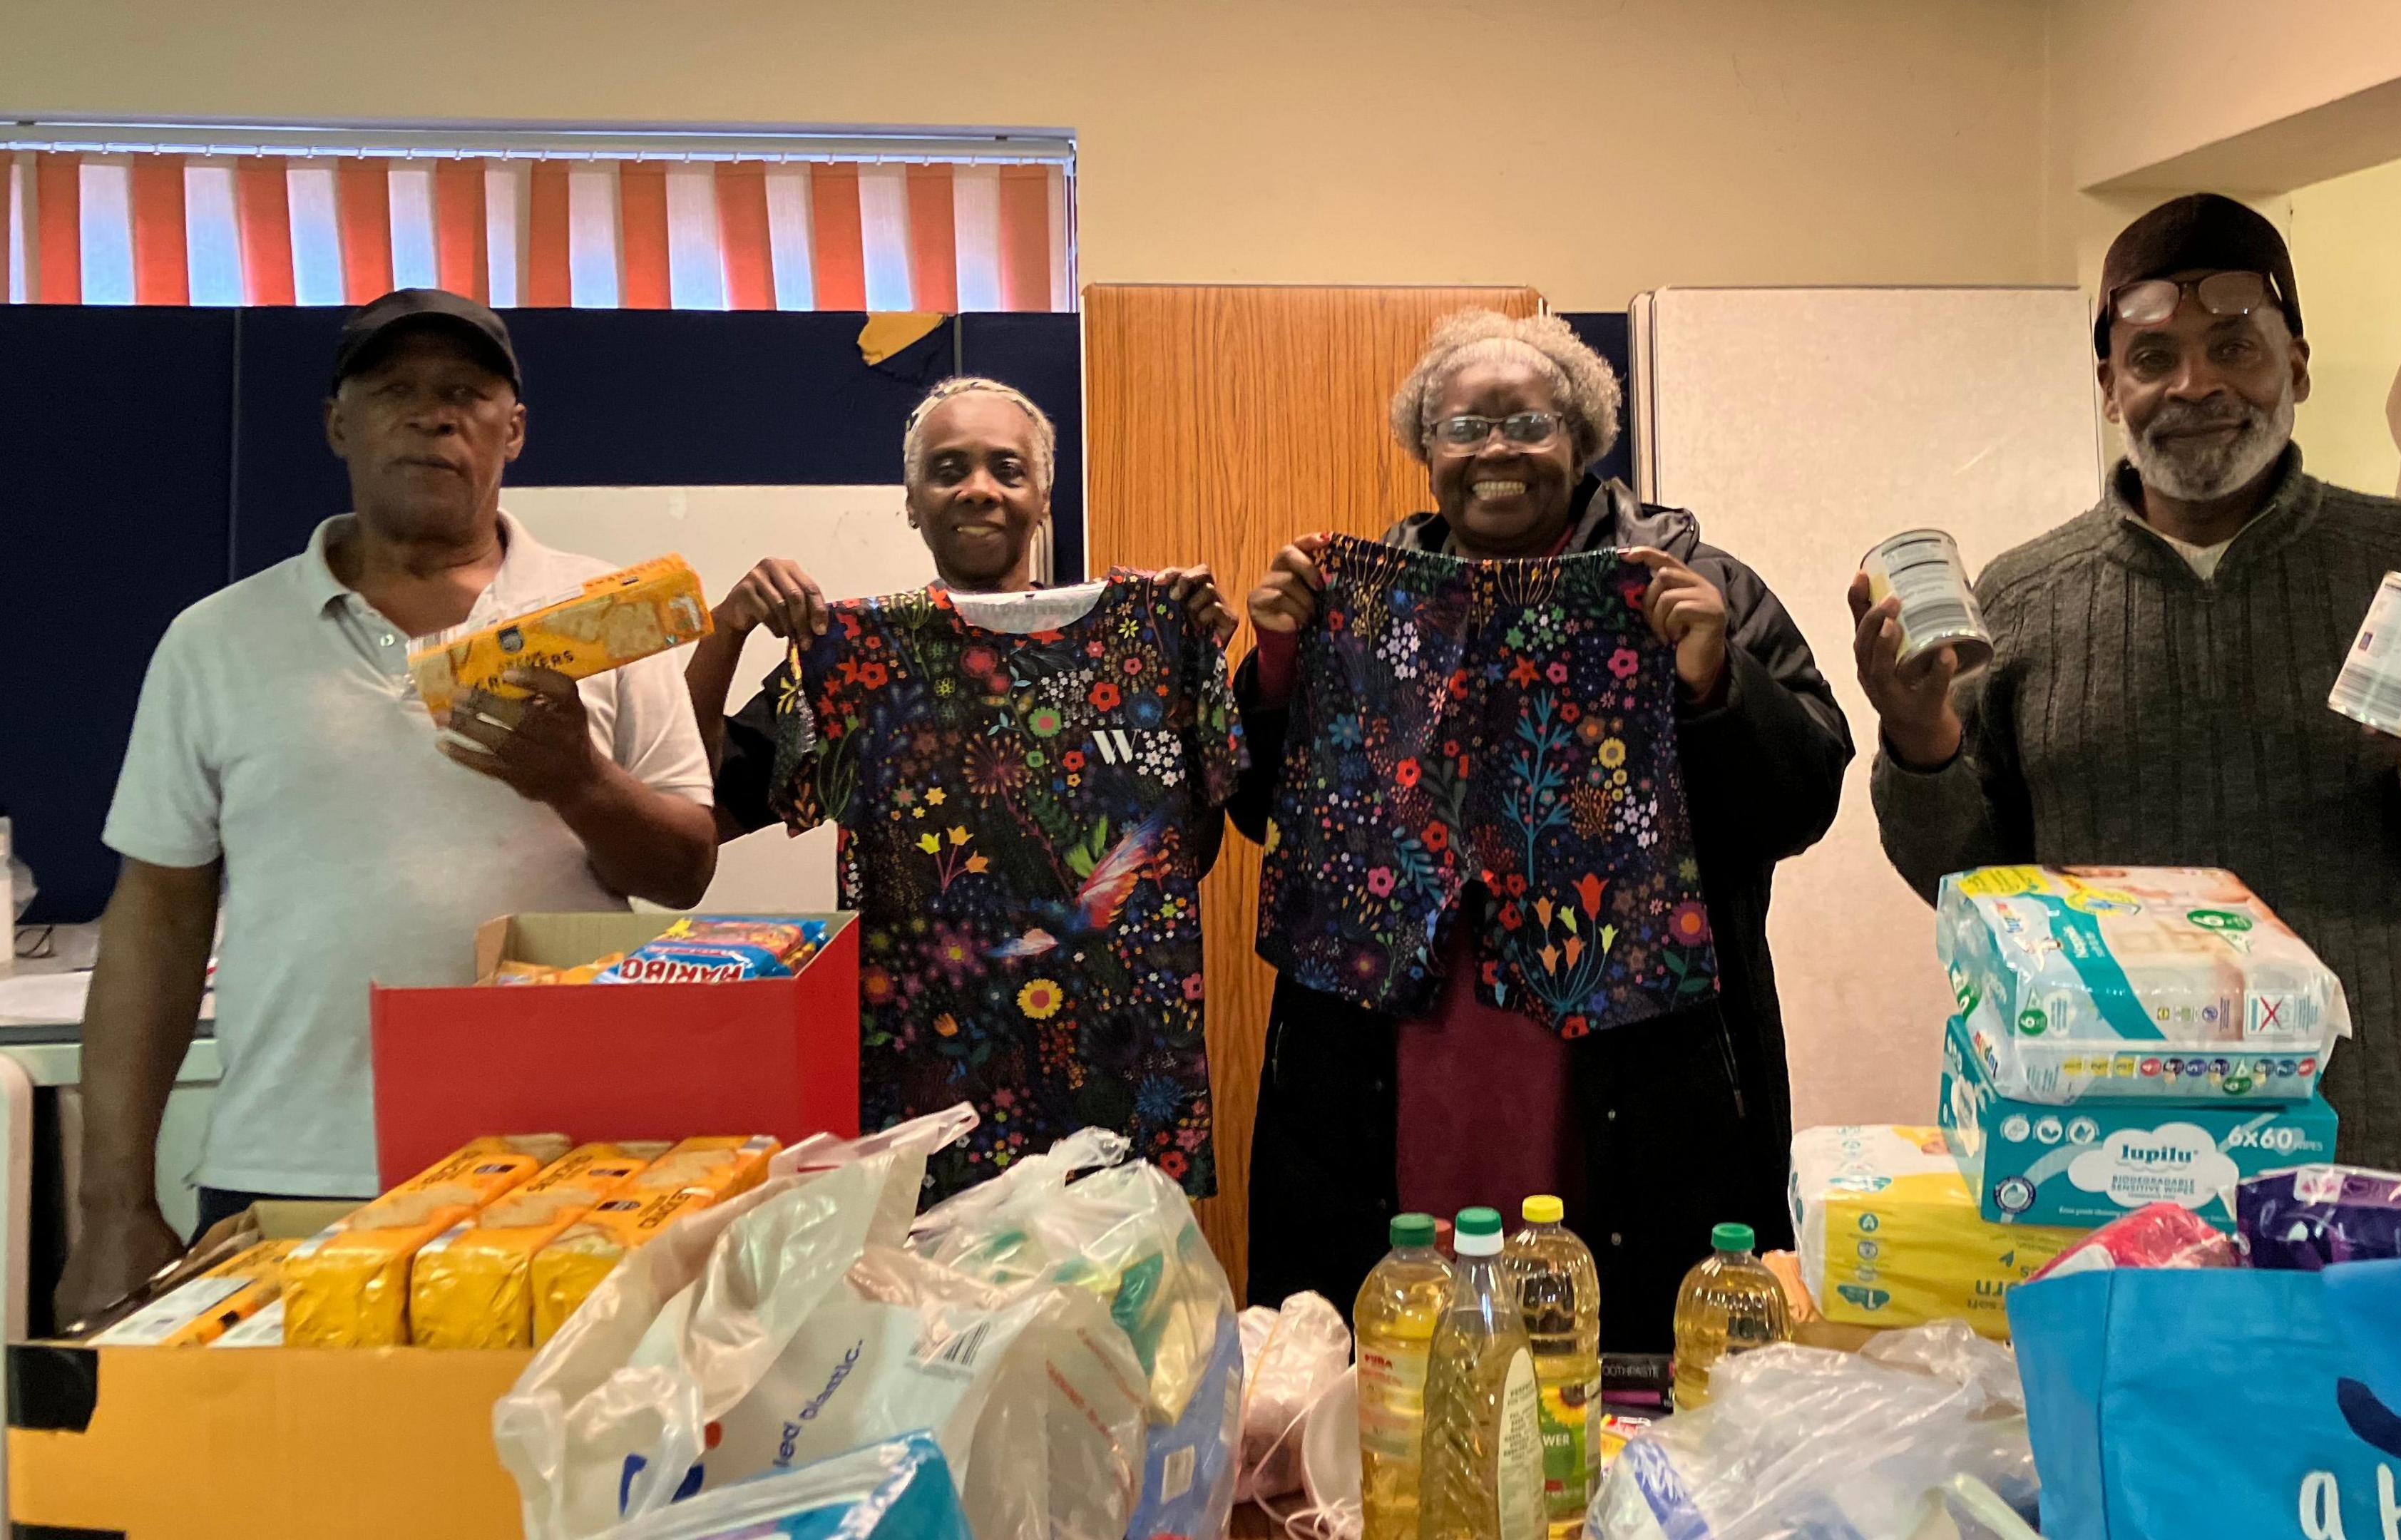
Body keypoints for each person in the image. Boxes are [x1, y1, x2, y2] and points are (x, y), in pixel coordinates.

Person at [1853, 193, 2401, 1176]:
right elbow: (1968, 888)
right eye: (2154, 359)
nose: (2195, 385)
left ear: (2298, 366)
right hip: (2092, 1148)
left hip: (2356, 1139)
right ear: (2110, 389)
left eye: (2235, 347)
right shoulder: (2021, 595)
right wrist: (1920, 744)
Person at [61, 289, 718, 1320]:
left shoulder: (603, 621)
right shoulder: (216, 642)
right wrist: (111, 1207)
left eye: (465, 393)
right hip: (290, 1173)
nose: (432, 416)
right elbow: (157, 924)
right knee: (285, 1432)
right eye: (394, 390)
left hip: (566, 1176)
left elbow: (683, 872)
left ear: (513, 431)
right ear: (339, 424)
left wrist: (578, 781)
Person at [1234, 311, 1853, 1345]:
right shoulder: (1360, 605)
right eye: (1464, 426)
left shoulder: (1697, 586)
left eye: (1529, 422)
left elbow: (1803, 800)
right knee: (1397, 1358)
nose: (1497, 449)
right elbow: (1271, 816)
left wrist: (1716, 684)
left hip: (1636, 1070)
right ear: (1426, 449)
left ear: (1583, 438)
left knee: (1624, 1363)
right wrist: (1279, 667)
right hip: (1399, 1057)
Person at [684, 377, 1239, 1194]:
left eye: (1007, 468)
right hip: (932, 1096)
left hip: (1112, 1084)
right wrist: (725, 633)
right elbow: (698, 800)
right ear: (912, 502)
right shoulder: (861, 662)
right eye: (949, 469)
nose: (979, 488)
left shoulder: (1144, 639)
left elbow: (1189, 847)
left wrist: (1194, 656)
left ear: (1044, 496)